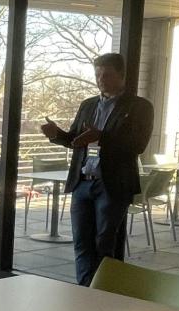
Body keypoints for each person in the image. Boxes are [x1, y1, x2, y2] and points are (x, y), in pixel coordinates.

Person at [40, 52, 154, 286]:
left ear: (122, 75)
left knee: (104, 243)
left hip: (112, 184)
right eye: (97, 75)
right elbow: (75, 140)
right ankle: (85, 291)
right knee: (82, 243)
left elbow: (138, 145)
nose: (100, 80)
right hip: (82, 181)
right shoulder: (88, 105)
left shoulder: (139, 107)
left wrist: (102, 137)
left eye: (107, 75)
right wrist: (56, 134)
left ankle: (104, 293)